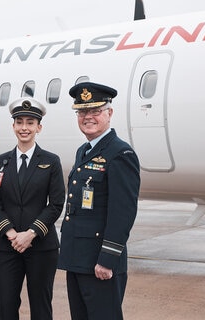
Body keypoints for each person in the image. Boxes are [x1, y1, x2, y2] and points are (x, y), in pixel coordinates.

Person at [57, 81, 141, 319]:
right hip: (77, 258)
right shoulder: (84, 151)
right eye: (82, 111)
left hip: (99, 262)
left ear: (109, 113)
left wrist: (107, 259)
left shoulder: (119, 153)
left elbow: (122, 213)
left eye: (95, 111)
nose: (88, 117)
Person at [0, 98, 65, 320]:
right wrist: (12, 234)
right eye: (19, 122)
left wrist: (30, 234)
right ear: (13, 126)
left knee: (41, 308)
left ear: (39, 127)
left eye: (30, 123)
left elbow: (56, 203)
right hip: (7, 246)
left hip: (41, 246)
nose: (24, 128)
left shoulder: (51, 161)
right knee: (6, 307)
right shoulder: (1, 162)